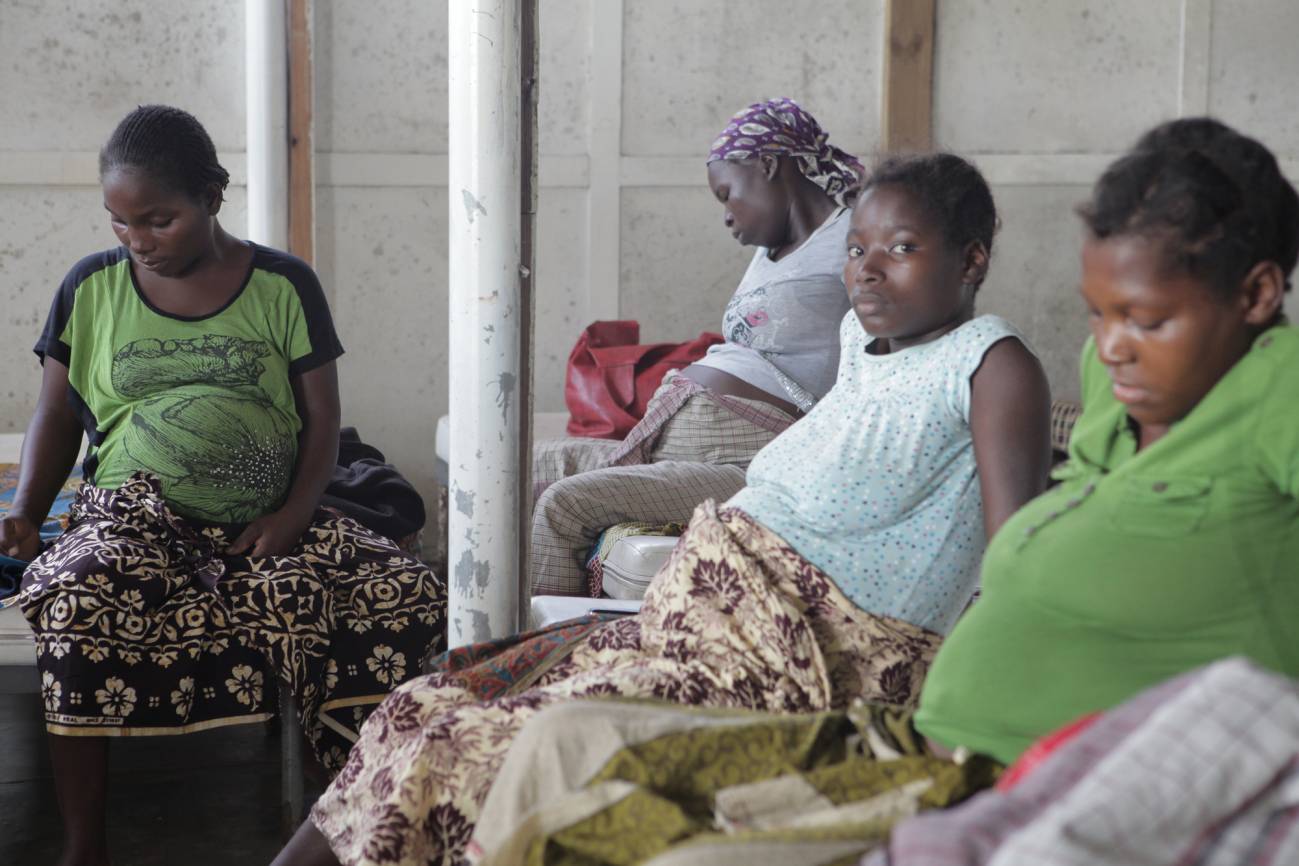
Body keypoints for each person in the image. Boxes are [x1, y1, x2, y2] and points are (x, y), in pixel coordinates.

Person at [446, 117, 1299, 866]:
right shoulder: (1121, 387)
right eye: (1098, 314)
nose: (1110, 347)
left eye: (1144, 320)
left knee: (647, 835)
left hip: (1019, 773)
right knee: (560, 743)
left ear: (1257, 293)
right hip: (916, 738)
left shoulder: (1278, 393)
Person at [270, 152, 1052, 866]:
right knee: (421, 704)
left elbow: (1012, 553)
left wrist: (971, 724)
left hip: (794, 663)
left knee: (470, 747)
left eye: (901, 249)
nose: (867, 272)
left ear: (971, 259)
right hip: (697, 629)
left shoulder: (990, 365)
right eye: (856, 249)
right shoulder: (862, 341)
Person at [0, 105, 446, 866]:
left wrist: (294, 514)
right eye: (119, 222)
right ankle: (83, 848)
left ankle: (343, 819)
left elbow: (321, 419)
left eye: (158, 220)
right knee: (73, 594)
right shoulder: (90, 288)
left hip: (266, 518)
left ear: (213, 195)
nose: (138, 240)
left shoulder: (282, 285)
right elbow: (55, 410)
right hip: (131, 514)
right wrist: (26, 513)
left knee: (403, 592)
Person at [530, 97, 862, 595]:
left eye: (728, 194)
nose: (727, 216)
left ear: (769, 165)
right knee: (511, 466)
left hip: (748, 460)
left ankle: (541, 659)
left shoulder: (852, 239)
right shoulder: (770, 252)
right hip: (677, 441)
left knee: (566, 503)